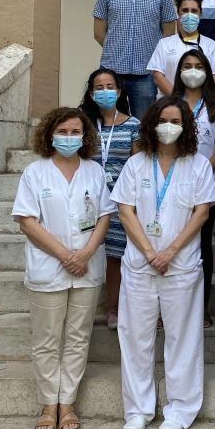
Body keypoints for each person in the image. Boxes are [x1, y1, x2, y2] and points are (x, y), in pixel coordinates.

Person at [112, 97, 215, 429]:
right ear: (151, 124)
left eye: (175, 121)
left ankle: (180, 409)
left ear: (186, 126)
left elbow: (202, 213)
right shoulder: (136, 164)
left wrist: (170, 251)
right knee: (135, 338)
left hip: (181, 264)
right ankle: (138, 410)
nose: (168, 127)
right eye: (162, 120)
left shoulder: (198, 165)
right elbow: (125, 210)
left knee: (182, 338)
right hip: (140, 264)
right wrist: (149, 252)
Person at [12, 107, 115, 429]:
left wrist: (84, 253)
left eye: (75, 132)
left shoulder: (94, 171)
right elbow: (27, 221)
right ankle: (48, 404)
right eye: (62, 132)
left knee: (77, 337)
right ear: (49, 134)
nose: (69, 138)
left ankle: (67, 403)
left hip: (87, 265)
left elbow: (104, 216)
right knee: (46, 339)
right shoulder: (35, 172)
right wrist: (65, 256)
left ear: (84, 137)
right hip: (49, 266)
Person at [171, 49, 215, 328]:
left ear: (208, 72)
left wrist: (202, 172)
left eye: (198, 66)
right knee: (174, 241)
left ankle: (203, 304)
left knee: (201, 244)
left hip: (206, 185)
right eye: (187, 66)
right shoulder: (170, 104)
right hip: (173, 186)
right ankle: (172, 304)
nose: (192, 71)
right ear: (179, 72)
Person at [78, 68, 141, 330]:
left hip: (119, 201)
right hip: (87, 200)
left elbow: (138, 164)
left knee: (115, 256)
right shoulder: (83, 124)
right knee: (85, 251)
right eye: (99, 87)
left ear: (119, 91)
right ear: (91, 93)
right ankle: (81, 308)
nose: (105, 92)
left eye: (109, 87)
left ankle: (113, 308)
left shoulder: (133, 125)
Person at [93, 0, 177, 118]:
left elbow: (169, 34)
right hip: (112, 71)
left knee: (144, 122)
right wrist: (115, 50)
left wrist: (155, 61)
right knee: (108, 119)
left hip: (146, 73)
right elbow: (99, 33)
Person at [147, 0, 215, 98]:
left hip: (201, 104)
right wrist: (179, 101)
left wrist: (195, 101)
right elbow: (158, 77)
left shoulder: (212, 46)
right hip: (170, 103)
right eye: (185, 10)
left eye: (194, 11)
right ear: (178, 13)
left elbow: (214, 77)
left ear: (200, 14)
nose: (189, 15)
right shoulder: (164, 44)